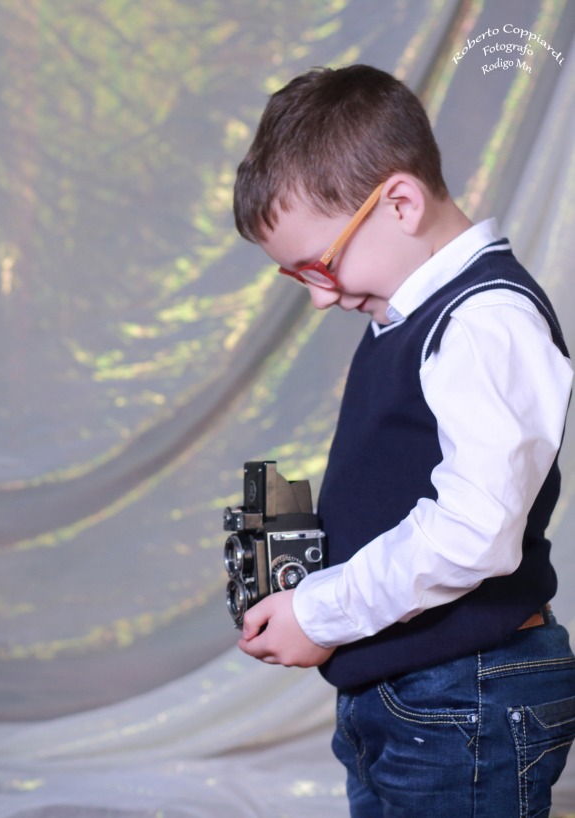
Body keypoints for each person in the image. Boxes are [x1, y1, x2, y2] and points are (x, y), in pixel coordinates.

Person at [232, 64, 575, 817]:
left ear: (399, 202)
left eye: (319, 265)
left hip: (465, 695)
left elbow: (472, 531)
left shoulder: (483, 321)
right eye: (298, 278)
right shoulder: (407, 316)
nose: (321, 296)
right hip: (408, 693)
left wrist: (318, 613)